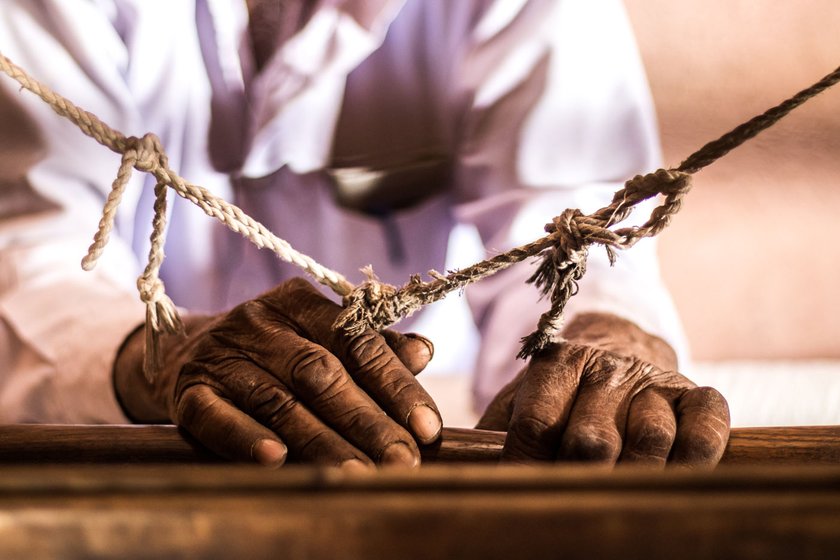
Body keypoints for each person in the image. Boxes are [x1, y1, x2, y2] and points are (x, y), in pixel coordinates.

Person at [0, 0, 729, 468]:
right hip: (113, 472)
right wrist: (161, 358)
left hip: (407, 463)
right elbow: (27, 242)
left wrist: (609, 344)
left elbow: (581, 227)